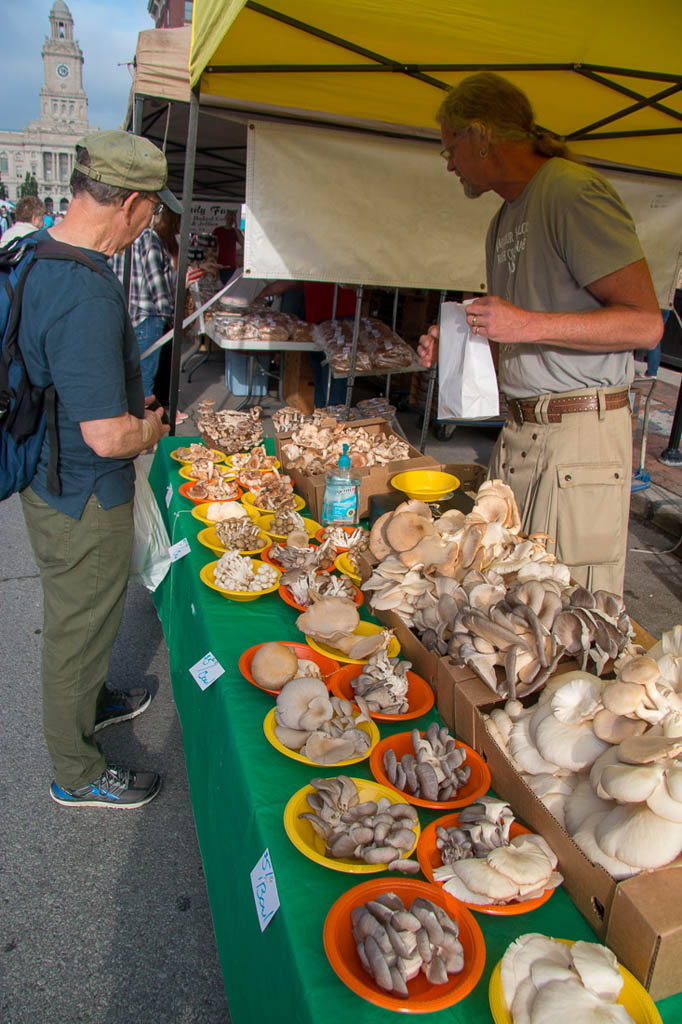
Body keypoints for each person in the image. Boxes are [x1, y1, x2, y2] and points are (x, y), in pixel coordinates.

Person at [418, 72, 662, 594]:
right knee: (507, 599)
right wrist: (464, 341)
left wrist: (523, 323)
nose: (448, 162)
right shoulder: (503, 219)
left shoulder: (572, 193)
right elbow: (517, 329)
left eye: (451, 147)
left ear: (481, 136)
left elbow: (645, 322)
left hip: (579, 437)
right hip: (523, 434)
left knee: (568, 609)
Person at [17, 129, 182, 808]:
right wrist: (150, 427)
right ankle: (76, 773)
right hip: (82, 491)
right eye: (152, 210)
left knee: (84, 619)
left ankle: (94, 700)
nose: (152, 221)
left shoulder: (38, 253)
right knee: (77, 630)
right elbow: (110, 436)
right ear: (133, 204)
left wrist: (116, 398)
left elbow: (62, 379)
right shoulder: (87, 291)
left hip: (51, 476)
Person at [112, 203, 178, 406]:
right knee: (144, 382)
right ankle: (145, 430)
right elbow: (156, 281)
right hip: (148, 317)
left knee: (131, 379)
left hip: (129, 315)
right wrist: (170, 315)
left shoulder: (124, 239)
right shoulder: (149, 239)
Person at [212, 208, 244, 284]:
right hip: (219, 264)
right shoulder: (218, 230)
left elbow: (244, 244)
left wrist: (236, 228)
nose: (230, 220)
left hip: (231, 265)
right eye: (228, 217)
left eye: (232, 218)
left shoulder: (235, 232)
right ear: (225, 217)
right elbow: (212, 247)